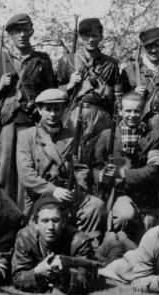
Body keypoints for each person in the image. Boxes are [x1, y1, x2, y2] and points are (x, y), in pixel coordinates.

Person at [0, 13, 57, 207]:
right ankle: (2, 214)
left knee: (30, 172)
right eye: (17, 31)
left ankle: (28, 216)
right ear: (10, 34)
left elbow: (51, 92)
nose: (22, 34)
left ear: (31, 32)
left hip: (31, 125)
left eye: (25, 30)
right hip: (5, 126)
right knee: (4, 173)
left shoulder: (42, 60)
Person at [16, 88, 106, 235]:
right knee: (50, 219)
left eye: (57, 109)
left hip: (68, 191)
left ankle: (82, 242)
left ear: (63, 110)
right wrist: (53, 190)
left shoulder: (73, 135)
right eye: (48, 109)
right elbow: (27, 175)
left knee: (96, 205)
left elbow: (81, 167)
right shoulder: (27, 136)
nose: (53, 114)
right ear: (39, 110)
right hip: (41, 194)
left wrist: (79, 189)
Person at [11, 194, 125, 294]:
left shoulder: (79, 241)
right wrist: (37, 272)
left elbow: (86, 282)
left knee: (111, 257)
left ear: (64, 222)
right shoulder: (25, 238)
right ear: (35, 224)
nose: (50, 227)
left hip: (97, 256)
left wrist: (64, 273)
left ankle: (114, 240)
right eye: (45, 221)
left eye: (55, 220)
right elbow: (17, 278)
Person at [93, 91, 159, 246]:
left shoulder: (153, 136)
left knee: (149, 237)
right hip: (119, 194)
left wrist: (121, 173)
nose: (132, 115)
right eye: (128, 111)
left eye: (137, 111)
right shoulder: (107, 136)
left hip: (146, 197)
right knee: (125, 216)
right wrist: (102, 175)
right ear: (120, 111)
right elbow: (95, 166)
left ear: (143, 112)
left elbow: (153, 170)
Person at [56, 17, 119, 159]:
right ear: (80, 37)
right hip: (74, 114)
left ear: (101, 37)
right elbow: (55, 93)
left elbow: (116, 98)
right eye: (86, 35)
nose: (90, 39)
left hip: (101, 117)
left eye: (94, 35)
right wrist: (70, 85)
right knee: (72, 157)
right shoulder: (67, 60)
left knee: (99, 157)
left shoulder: (110, 63)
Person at [117, 27, 159, 132]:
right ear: (143, 48)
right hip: (135, 129)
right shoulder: (130, 71)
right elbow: (118, 103)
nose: (153, 50)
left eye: (157, 46)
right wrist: (133, 95)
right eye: (149, 46)